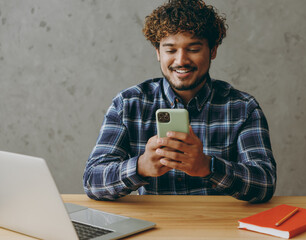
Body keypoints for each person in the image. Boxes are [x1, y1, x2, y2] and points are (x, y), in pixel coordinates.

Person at [83, 0, 276, 203]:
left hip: (221, 227)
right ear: (158, 53)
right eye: (171, 50)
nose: (181, 60)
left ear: (213, 51)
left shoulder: (243, 108)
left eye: (193, 49)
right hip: (154, 227)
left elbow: (265, 183)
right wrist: (140, 167)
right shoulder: (128, 104)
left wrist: (208, 167)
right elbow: (91, 181)